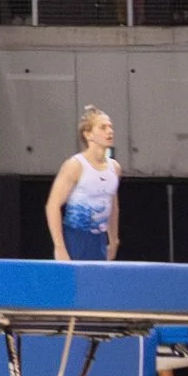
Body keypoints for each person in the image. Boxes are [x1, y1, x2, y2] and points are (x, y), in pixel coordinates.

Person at [46, 105, 121, 262]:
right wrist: (59, 246)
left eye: (110, 127)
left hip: (99, 239)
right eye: (103, 127)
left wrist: (113, 239)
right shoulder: (75, 166)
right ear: (88, 135)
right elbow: (52, 205)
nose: (110, 131)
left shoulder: (114, 168)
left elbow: (112, 205)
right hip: (75, 238)